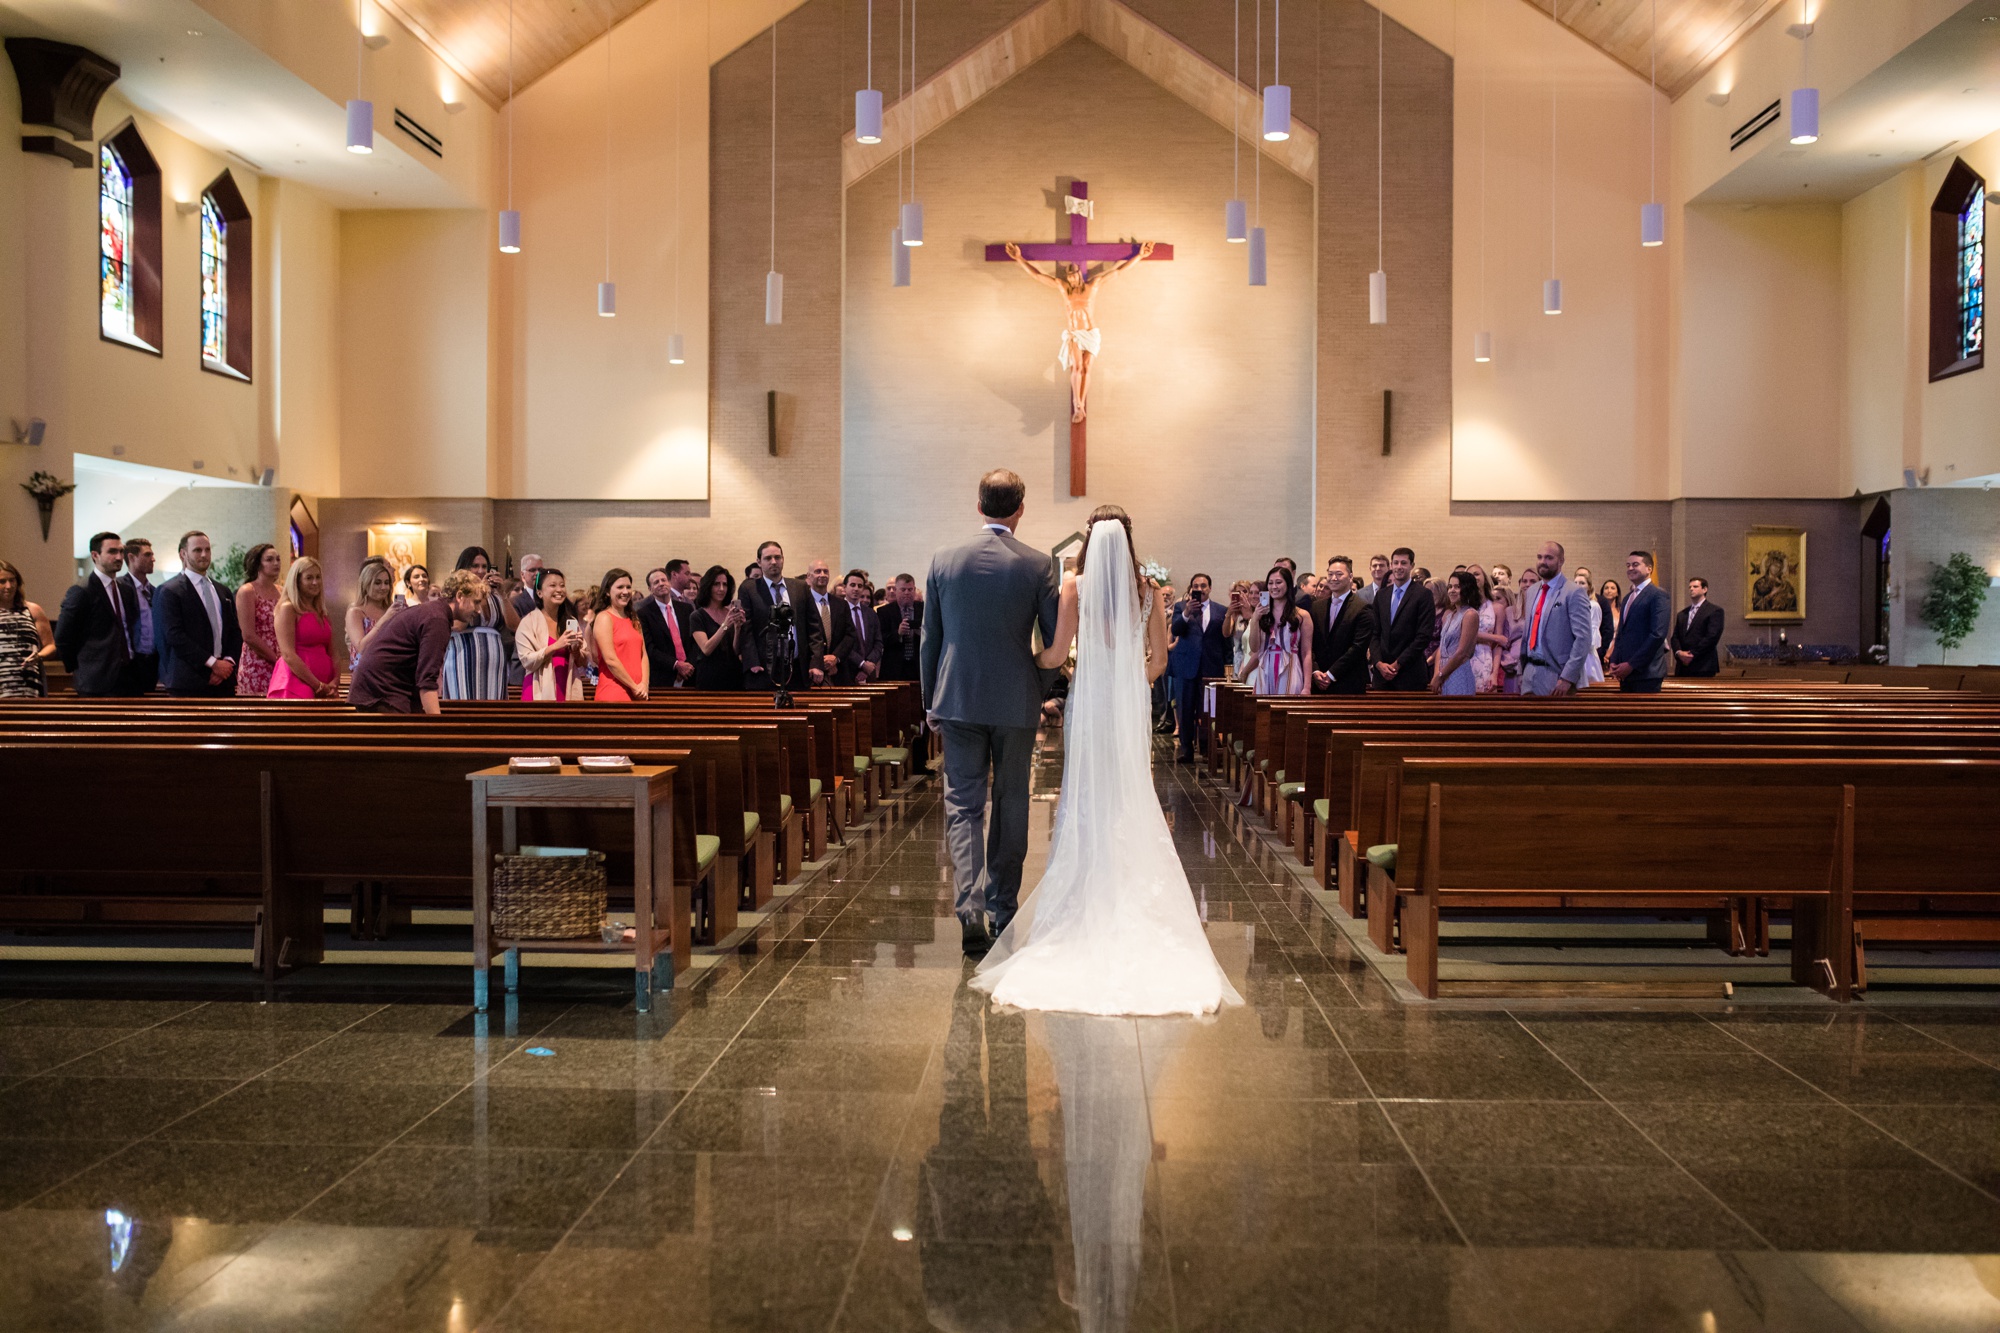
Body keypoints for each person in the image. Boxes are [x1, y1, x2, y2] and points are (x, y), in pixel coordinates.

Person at [971, 507, 1242, 1017]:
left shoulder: (1075, 584)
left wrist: (1023, 665)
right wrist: (1128, 686)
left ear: (1091, 539)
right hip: (1126, 705)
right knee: (1130, 793)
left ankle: (1085, 897)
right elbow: (1159, 662)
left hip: (1091, 704)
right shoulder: (1150, 591)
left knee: (1087, 796)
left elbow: (1054, 655)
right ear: (1131, 541)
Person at [922, 469, 1060, 957]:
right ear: (1020, 508)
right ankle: (1003, 907)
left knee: (963, 805)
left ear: (978, 506)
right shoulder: (1039, 565)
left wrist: (930, 700)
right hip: (1015, 701)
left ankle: (968, 909)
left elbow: (930, 640)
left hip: (956, 698)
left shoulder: (944, 560)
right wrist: (1038, 689)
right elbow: (1052, 643)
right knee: (1011, 801)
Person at [350, 569, 488, 714]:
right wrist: (438, 729)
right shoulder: (437, 619)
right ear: (460, 596)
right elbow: (426, 681)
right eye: (476, 602)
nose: (478, 610)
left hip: (378, 690)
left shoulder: (433, 612)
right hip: (381, 693)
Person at [154, 530, 243, 698]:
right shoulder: (170, 591)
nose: (204, 554)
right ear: (183, 554)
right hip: (188, 681)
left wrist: (227, 663)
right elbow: (174, 635)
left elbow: (234, 632)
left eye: (207, 549)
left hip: (223, 680)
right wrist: (212, 663)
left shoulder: (222, 590)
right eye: (197, 550)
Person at [740, 541, 823, 692]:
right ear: (759, 561)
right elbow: (746, 629)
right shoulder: (749, 589)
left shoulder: (800, 587)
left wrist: (816, 663)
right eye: (768, 558)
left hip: (797, 666)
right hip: (764, 668)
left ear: (783, 559)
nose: (773, 562)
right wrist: (751, 660)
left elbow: (814, 628)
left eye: (777, 557)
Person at [1517, 542, 1594, 697]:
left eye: (1549, 558)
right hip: (1529, 671)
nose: (1542, 561)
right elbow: (1527, 633)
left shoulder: (1574, 592)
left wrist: (1567, 677)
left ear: (1561, 561)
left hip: (1556, 673)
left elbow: (1583, 639)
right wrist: (1521, 670)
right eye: (1539, 557)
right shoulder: (1532, 591)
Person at [1167, 573, 1229, 763]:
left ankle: (1206, 747)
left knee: (1208, 710)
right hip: (1186, 666)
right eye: (1196, 585)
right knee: (1185, 709)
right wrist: (1186, 613)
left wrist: (1227, 667)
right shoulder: (1180, 608)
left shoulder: (1221, 610)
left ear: (1210, 588)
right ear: (1191, 588)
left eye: (1203, 586)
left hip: (1211, 666)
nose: (1200, 589)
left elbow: (1225, 640)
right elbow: (1176, 631)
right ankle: (1186, 749)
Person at [268, 556, 337, 699]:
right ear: (297, 581)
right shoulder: (288, 608)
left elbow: (334, 652)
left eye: (318, 577)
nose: (315, 582)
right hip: (296, 683)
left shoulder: (321, 611)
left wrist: (335, 680)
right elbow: (288, 654)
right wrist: (317, 685)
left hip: (325, 684)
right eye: (309, 578)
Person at [515, 567, 585, 702]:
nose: (559, 590)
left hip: (567, 685)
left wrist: (576, 651)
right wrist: (555, 646)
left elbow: (582, 662)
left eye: (562, 585)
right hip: (538, 688)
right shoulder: (529, 621)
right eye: (552, 585)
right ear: (539, 593)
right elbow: (527, 661)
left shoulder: (570, 621)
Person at [1369, 548, 1434, 691]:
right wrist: (1378, 663)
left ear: (1412, 565)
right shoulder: (1381, 595)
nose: (1399, 567)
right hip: (1382, 674)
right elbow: (1374, 633)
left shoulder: (1423, 595)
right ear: (1391, 565)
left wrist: (1398, 664)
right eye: (1396, 563)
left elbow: (1423, 636)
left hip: (1410, 672)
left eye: (1403, 563)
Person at [1607, 550, 1671, 693]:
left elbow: (1658, 634)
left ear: (1649, 569)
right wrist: (1614, 660)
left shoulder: (1658, 595)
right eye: (1628, 565)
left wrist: (1632, 664)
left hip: (1647, 673)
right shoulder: (1628, 597)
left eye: (1635, 564)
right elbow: (1621, 634)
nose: (1630, 568)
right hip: (1625, 672)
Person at [1310, 556, 1375, 695]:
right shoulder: (1317, 607)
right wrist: (1315, 670)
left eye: (1339, 574)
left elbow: (1358, 647)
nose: (1334, 578)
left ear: (1350, 576)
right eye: (1330, 574)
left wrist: (1331, 674)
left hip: (1348, 681)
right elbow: (1310, 643)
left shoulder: (1362, 608)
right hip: (1318, 681)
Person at [1242, 566, 1311, 695]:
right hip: (1265, 669)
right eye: (1270, 583)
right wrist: (1255, 618)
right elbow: (1255, 647)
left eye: (1278, 582)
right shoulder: (1261, 614)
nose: (1274, 587)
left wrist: (1307, 687)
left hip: (1290, 668)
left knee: (1288, 710)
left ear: (1288, 584)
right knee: (1263, 712)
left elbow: (1306, 653)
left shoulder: (1302, 615)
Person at [591, 568, 649, 702]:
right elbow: (610, 660)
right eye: (620, 587)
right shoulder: (604, 618)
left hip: (639, 692)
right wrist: (634, 687)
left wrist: (644, 685)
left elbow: (643, 654)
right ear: (607, 592)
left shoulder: (633, 617)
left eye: (628, 587)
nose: (625, 591)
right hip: (614, 691)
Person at [0, 560, 55, 698]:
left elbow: (51, 645)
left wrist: (39, 656)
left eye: (12, 581)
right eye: (2, 581)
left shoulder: (32, 610)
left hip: (28, 685)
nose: (9, 586)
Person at [636, 564, 697, 690]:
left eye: (664, 580)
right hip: (662, 677)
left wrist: (688, 665)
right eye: (656, 582)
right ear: (650, 588)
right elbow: (649, 648)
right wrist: (676, 665)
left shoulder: (686, 609)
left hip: (690, 675)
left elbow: (694, 641)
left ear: (669, 583)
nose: (661, 584)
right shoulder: (644, 614)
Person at [234, 542, 282, 698]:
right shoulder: (248, 591)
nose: (276, 563)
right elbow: (248, 635)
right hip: (257, 661)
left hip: (283, 659)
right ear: (258, 564)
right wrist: (276, 659)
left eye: (278, 559)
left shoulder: (282, 591)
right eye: (269, 559)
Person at [690, 565, 746, 691]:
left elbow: (735, 651)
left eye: (725, 584)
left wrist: (737, 628)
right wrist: (725, 625)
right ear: (708, 586)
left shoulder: (729, 613)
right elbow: (706, 648)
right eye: (716, 584)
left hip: (733, 675)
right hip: (709, 677)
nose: (721, 589)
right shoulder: (697, 616)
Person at [116, 537, 159, 693]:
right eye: (147, 555)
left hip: (151, 662)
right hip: (130, 662)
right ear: (131, 558)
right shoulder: (119, 587)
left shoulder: (155, 591)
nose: (153, 559)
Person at [1431, 571, 1482, 696]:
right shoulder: (1449, 615)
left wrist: (1441, 675)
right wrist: (1437, 674)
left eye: (1457, 587)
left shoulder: (1470, 614)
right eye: (1450, 586)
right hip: (1444, 673)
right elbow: (1441, 648)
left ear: (1467, 589)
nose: (1452, 590)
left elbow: (1462, 653)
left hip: (1458, 672)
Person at [347, 556, 395, 671]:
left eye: (386, 583)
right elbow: (361, 648)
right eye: (377, 583)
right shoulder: (356, 612)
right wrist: (384, 619)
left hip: (392, 672)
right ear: (366, 584)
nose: (383, 587)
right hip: (366, 674)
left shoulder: (392, 610)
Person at [834, 569, 882, 684]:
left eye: (860, 586)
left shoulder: (870, 613)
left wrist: (868, 664)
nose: (856, 589)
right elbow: (840, 642)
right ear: (845, 588)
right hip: (846, 671)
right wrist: (861, 663)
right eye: (852, 585)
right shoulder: (837, 611)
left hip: (869, 672)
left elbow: (878, 643)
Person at [876, 573, 924, 683]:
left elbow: (934, 636)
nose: (907, 593)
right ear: (896, 590)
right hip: (894, 668)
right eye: (903, 590)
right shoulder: (884, 612)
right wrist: (898, 633)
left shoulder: (924, 609)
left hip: (918, 666)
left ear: (914, 589)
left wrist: (922, 633)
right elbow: (880, 639)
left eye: (910, 589)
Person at [804, 559, 845, 684]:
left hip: (837, 671)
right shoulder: (802, 603)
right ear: (809, 576)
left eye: (825, 571)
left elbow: (849, 635)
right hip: (810, 670)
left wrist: (835, 657)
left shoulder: (841, 604)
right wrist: (817, 662)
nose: (822, 574)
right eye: (817, 571)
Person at [1673, 577, 1724, 677]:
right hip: (1682, 666)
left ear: (1704, 589)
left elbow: (1712, 637)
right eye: (1690, 587)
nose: (1691, 589)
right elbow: (1675, 637)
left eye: (1695, 586)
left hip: (1703, 665)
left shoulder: (1714, 611)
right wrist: (1679, 653)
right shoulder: (1682, 614)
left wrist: (1692, 654)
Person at [1475, 575, 1514, 693]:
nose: (1494, 602)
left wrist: (1494, 672)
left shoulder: (1500, 612)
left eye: (1498, 598)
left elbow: (1501, 644)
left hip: (1494, 660)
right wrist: (1496, 638)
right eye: (1493, 598)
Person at [1595, 578, 1622, 670]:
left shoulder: (1621, 610)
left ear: (1617, 592)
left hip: (1617, 646)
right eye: (1606, 588)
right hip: (1600, 646)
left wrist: (1610, 652)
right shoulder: (1596, 609)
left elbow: (1621, 633)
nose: (1609, 590)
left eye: (1612, 588)